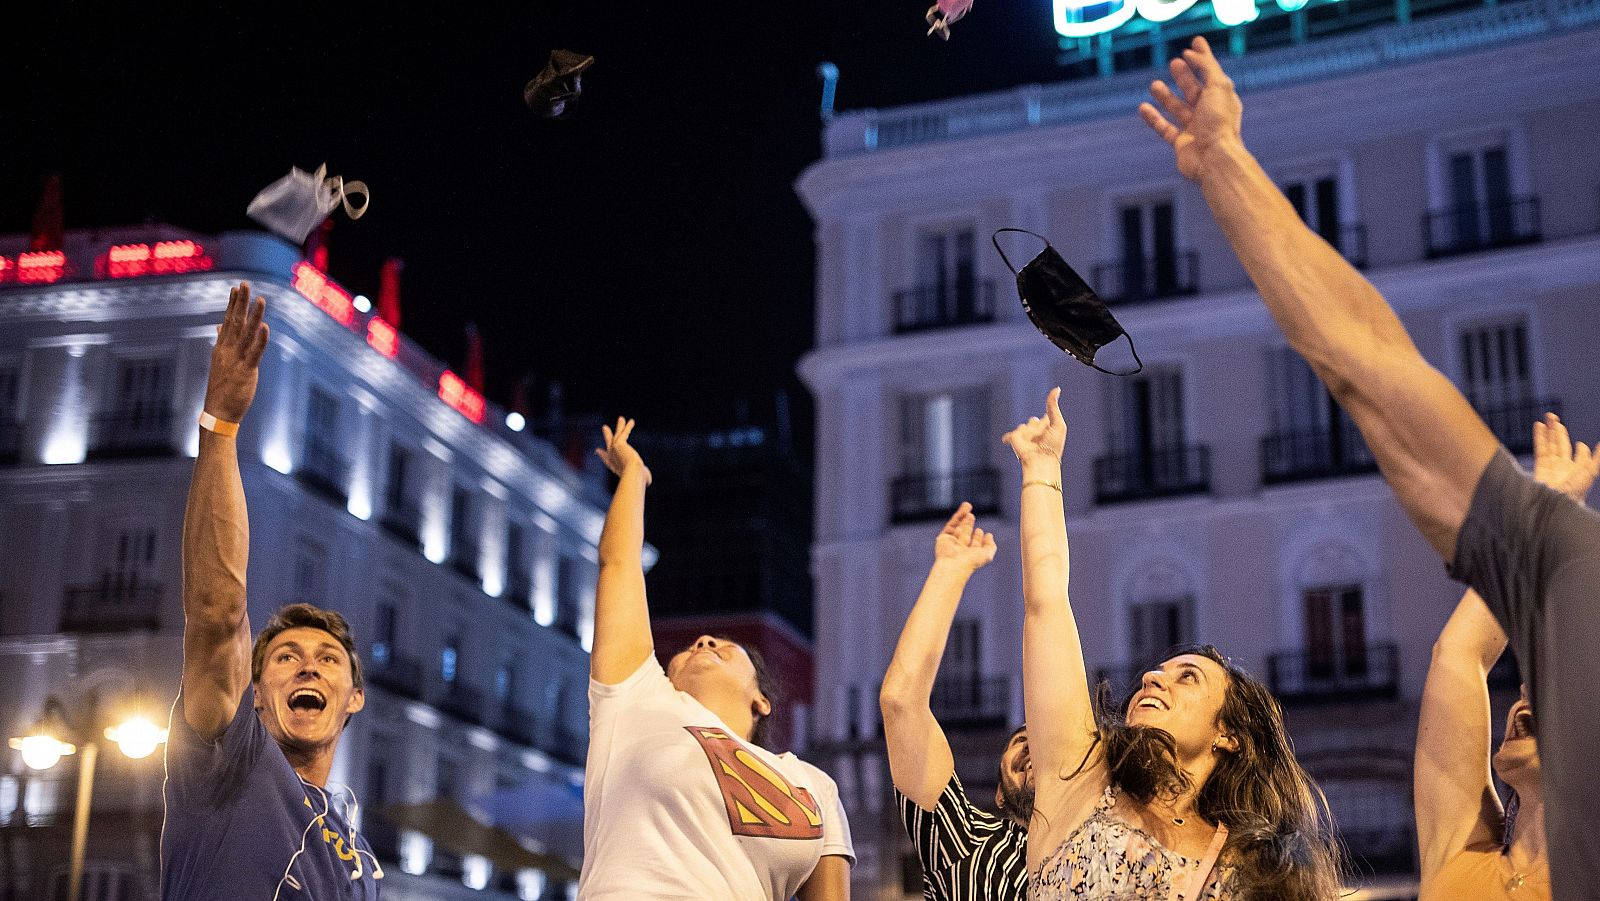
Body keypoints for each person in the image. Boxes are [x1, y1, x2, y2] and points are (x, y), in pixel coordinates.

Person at [1137, 36, 1600, 894]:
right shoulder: (1463, 858)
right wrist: (1227, 168)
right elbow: (1372, 366)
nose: (1531, 688)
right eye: (1537, 669)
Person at [1006, 389, 1341, 901]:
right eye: (1159, 670)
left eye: (1188, 677)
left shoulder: (1255, 868)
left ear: (1227, 734)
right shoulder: (1078, 783)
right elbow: (1047, 604)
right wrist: (1042, 473)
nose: (1151, 677)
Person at [163, 283, 381, 900]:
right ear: (254, 696)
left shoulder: (358, 854)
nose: (308, 665)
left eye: (328, 659)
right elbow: (216, 614)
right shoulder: (228, 765)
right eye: (286, 657)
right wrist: (221, 428)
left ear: (354, 698)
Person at [578, 417, 854, 899]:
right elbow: (619, 564)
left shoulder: (812, 785)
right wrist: (633, 477)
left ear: (762, 700)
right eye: (687, 649)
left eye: (729, 648)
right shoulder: (636, 701)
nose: (703, 640)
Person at [1416, 417, 1596, 900]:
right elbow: (1458, 654)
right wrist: (1544, 522)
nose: (1523, 699)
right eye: (1528, 687)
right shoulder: (1459, 853)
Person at [880, 503, 1030, 901]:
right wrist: (950, 571)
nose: (1032, 747)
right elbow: (901, 702)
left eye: (1047, 740)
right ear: (1001, 796)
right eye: (1021, 743)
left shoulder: (1119, 855)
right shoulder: (967, 842)